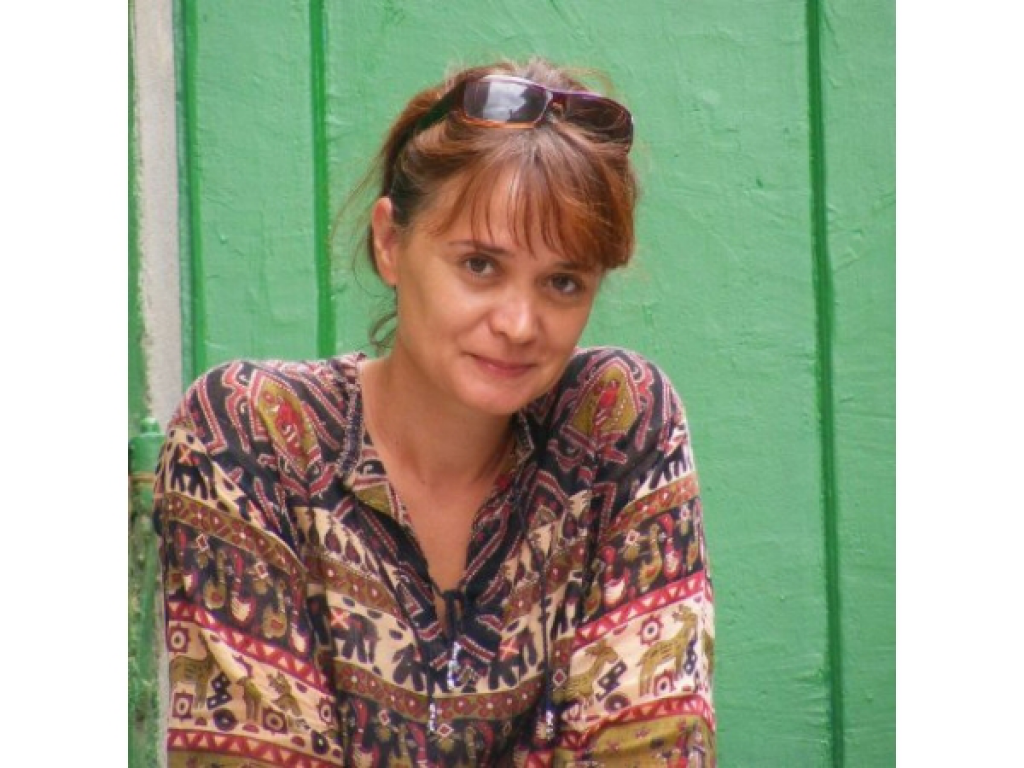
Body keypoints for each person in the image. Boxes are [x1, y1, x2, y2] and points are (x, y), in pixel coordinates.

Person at [154, 57, 715, 767]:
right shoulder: (251, 435)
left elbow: (652, 749)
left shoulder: (613, 426)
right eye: (480, 265)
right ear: (391, 243)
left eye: (563, 282)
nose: (519, 323)